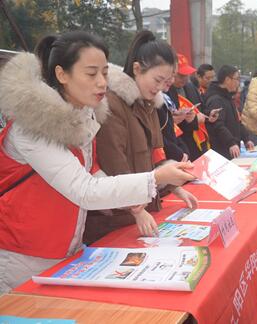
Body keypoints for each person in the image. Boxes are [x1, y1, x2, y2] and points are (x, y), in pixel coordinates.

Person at [0, 31, 195, 293]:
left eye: (104, 72)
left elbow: (93, 172)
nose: (102, 82)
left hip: (66, 247)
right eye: (91, 74)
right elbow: (83, 190)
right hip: (22, 254)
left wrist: (134, 201)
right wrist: (156, 178)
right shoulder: (32, 127)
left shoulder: (83, 117)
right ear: (62, 75)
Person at [83, 31, 198, 244]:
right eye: (158, 80)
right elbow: (113, 163)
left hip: (143, 209)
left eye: (167, 82)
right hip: (117, 216)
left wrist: (175, 186)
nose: (162, 88)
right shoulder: (111, 104)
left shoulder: (149, 104)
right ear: (137, 69)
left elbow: (157, 153)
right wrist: (136, 210)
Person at [167, 54, 215, 161]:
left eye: (187, 75)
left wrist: (208, 115)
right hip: (181, 144)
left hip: (198, 141)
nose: (185, 79)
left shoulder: (190, 87)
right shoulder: (167, 92)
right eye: (181, 75)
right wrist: (194, 120)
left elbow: (200, 107)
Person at [204, 65, 254, 159]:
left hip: (232, 148)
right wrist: (230, 142)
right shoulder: (216, 100)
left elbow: (237, 122)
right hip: (222, 151)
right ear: (227, 79)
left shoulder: (228, 97)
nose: (238, 83)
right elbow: (218, 125)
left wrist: (247, 139)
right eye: (237, 79)